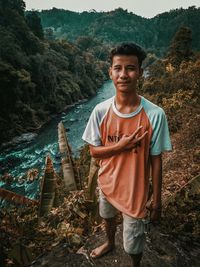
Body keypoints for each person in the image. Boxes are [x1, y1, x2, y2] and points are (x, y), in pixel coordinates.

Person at [82, 42, 172, 267]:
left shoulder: (155, 114)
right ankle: (110, 242)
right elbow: (94, 151)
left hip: (135, 191)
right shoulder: (100, 111)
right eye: (118, 68)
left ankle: (134, 264)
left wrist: (158, 202)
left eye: (130, 68)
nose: (124, 74)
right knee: (107, 215)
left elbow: (156, 160)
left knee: (133, 245)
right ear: (110, 72)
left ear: (140, 72)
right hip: (107, 183)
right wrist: (121, 146)